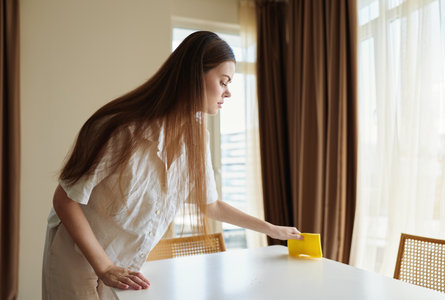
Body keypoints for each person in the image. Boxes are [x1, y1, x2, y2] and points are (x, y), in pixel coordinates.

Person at [42, 31, 302, 300]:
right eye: (223, 81)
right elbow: (65, 200)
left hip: (127, 267)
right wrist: (104, 266)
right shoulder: (120, 129)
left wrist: (272, 229)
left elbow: (209, 204)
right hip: (77, 261)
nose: (228, 92)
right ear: (193, 76)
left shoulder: (198, 135)